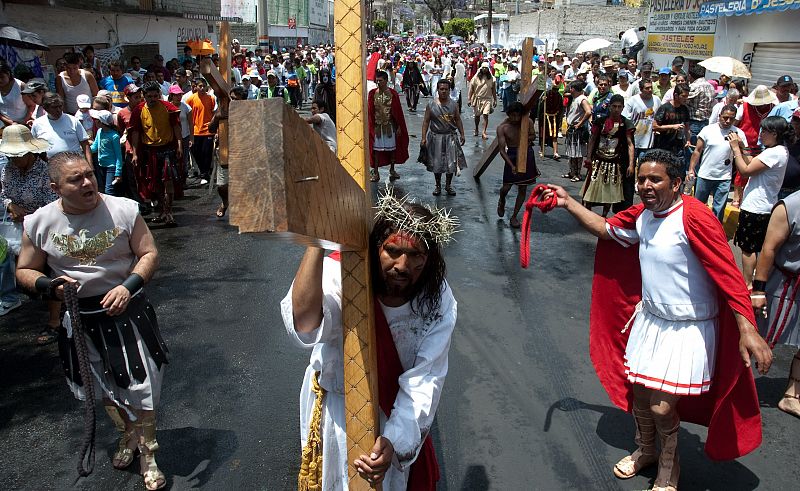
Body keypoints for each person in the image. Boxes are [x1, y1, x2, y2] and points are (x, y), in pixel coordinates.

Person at [539, 149, 772, 491]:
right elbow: (607, 230)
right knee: (641, 396)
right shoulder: (643, 216)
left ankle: (670, 464)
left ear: (677, 183)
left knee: (663, 407)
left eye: (655, 179)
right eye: (641, 179)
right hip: (650, 321)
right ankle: (646, 450)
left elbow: (728, 274)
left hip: (689, 329)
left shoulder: (695, 217)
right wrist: (568, 203)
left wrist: (747, 329)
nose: (645, 186)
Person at [16, 151, 168, 491]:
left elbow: (149, 254)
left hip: (127, 314)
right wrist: (50, 287)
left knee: (140, 388)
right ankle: (128, 436)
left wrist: (128, 287)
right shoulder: (39, 223)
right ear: (56, 188)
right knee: (100, 388)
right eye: (76, 179)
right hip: (80, 319)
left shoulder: (124, 210)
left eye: (89, 174)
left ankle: (149, 454)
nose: (88, 182)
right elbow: (24, 270)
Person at [283, 193, 457, 490]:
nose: (403, 265)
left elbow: (426, 379)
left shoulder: (438, 300)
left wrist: (394, 440)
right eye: (393, 251)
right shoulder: (342, 272)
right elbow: (305, 324)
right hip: (338, 411)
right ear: (376, 248)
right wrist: (316, 243)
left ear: (430, 261)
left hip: (398, 415)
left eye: (416, 256)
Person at [0, 125, 57, 336]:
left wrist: (28, 214)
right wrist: (10, 205)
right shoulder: (8, 169)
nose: (14, 160)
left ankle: (54, 322)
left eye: (18, 156)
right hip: (19, 228)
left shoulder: (46, 172)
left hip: (45, 227)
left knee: (52, 270)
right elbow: (4, 193)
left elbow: (54, 205)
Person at [751, 190, 800, 418]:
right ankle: (728, 388)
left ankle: (793, 395)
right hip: (782, 285)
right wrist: (759, 290)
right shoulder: (791, 205)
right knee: (756, 338)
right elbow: (768, 249)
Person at [730, 116, 793, 288]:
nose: (761, 134)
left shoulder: (775, 152)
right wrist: (743, 148)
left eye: (764, 131)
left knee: (748, 248)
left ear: (774, 133)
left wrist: (735, 149)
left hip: (756, 207)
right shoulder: (777, 150)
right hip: (763, 206)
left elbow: (745, 170)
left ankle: (748, 283)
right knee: (758, 246)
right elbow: (753, 163)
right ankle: (755, 280)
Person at [128, 81, 183, 226]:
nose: (152, 98)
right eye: (149, 96)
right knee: (156, 181)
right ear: (144, 96)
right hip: (150, 150)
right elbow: (135, 133)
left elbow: (176, 127)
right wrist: (135, 153)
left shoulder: (168, 108)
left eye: (155, 95)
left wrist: (179, 145)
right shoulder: (139, 110)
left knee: (169, 180)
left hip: (167, 149)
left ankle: (169, 212)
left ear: (159, 95)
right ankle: (162, 211)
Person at [688, 105, 747, 221]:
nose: (728, 121)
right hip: (705, 175)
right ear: (719, 116)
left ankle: (714, 233)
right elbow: (697, 151)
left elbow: (745, 152)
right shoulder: (708, 130)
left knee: (719, 210)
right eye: (725, 117)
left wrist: (740, 144)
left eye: (731, 118)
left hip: (724, 177)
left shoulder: (738, 133)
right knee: (698, 207)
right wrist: (691, 169)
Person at [581, 94, 634, 216]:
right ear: (609, 107)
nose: (616, 109)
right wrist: (589, 157)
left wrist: (631, 164)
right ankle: (587, 212)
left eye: (619, 107)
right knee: (592, 188)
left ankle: (604, 215)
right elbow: (593, 139)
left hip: (614, 162)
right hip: (598, 160)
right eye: (614, 106)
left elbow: (630, 144)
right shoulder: (600, 121)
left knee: (611, 190)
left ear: (622, 108)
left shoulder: (626, 124)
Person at [619, 79, 661, 211]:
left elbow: (658, 118)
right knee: (629, 170)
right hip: (633, 140)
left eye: (651, 88)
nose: (649, 90)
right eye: (647, 88)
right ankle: (626, 201)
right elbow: (625, 119)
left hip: (648, 141)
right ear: (641, 89)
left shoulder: (656, 100)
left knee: (643, 168)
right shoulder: (633, 101)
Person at [497, 102, 539, 228]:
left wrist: (526, 139)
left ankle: (514, 216)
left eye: (518, 116)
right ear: (508, 115)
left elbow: (533, 135)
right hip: (512, 155)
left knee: (523, 188)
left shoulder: (528, 122)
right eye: (512, 116)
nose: (515, 119)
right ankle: (502, 200)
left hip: (526, 153)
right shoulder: (503, 128)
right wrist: (511, 165)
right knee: (506, 187)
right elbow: (502, 150)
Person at [421, 79, 466, 197]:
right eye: (441, 89)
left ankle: (448, 185)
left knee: (451, 163)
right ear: (438, 90)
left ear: (449, 90)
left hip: (450, 137)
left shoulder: (454, 104)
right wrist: (423, 137)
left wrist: (462, 134)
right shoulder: (431, 105)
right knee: (437, 163)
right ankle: (437, 186)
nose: (444, 91)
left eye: (446, 89)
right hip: (436, 137)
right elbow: (426, 121)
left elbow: (458, 119)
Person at [367, 71, 409, 182]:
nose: (378, 82)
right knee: (376, 150)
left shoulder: (393, 94)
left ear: (386, 81)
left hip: (390, 126)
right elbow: (370, 111)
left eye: (380, 80)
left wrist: (398, 126)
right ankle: (375, 172)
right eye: (377, 80)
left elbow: (397, 112)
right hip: (377, 127)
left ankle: (392, 169)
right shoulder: (372, 94)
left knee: (392, 150)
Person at [31, 93, 92, 163]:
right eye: (54, 107)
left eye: (60, 106)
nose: (58, 110)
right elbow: (34, 146)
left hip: (76, 165)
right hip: (51, 167)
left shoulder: (73, 121)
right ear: (45, 108)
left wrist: (90, 165)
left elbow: (85, 144)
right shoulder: (38, 124)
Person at [652, 84, 691, 175]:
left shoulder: (684, 109)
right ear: (676, 95)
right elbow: (655, 127)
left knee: (678, 173)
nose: (686, 99)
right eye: (683, 96)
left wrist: (688, 140)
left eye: (687, 96)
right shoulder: (665, 108)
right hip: (664, 146)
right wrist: (672, 126)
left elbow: (687, 127)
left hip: (678, 147)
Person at [185, 77, 216, 185]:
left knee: (206, 153)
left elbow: (214, 113)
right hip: (195, 131)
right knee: (196, 152)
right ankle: (203, 171)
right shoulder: (190, 99)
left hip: (208, 130)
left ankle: (204, 174)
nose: (202, 88)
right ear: (196, 87)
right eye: (200, 86)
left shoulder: (211, 98)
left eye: (204, 86)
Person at [564, 81, 592, 182]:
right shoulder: (575, 98)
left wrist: (579, 124)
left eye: (570, 88)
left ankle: (578, 174)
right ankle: (572, 172)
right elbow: (565, 94)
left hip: (578, 129)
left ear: (573, 89)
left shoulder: (582, 99)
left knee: (578, 153)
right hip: (572, 128)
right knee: (571, 152)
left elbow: (588, 111)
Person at [468, 62, 496, 140]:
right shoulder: (475, 78)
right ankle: (476, 128)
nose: (484, 69)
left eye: (486, 68)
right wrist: (469, 99)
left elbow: (494, 90)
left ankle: (484, 132)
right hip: (477, 99)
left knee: (485, 115)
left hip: (487, 99)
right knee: (477, 116)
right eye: (483, 68)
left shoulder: (492, 79)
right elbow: (471, 89)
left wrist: (495, 100)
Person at [0, 61, 29, 127]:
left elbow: (31, 106)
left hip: (23, 125)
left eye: (2, 77)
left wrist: (24, 122)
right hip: (4, 125)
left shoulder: (20, 86)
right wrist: (9, 122)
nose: (0, 80)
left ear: (8, 74)